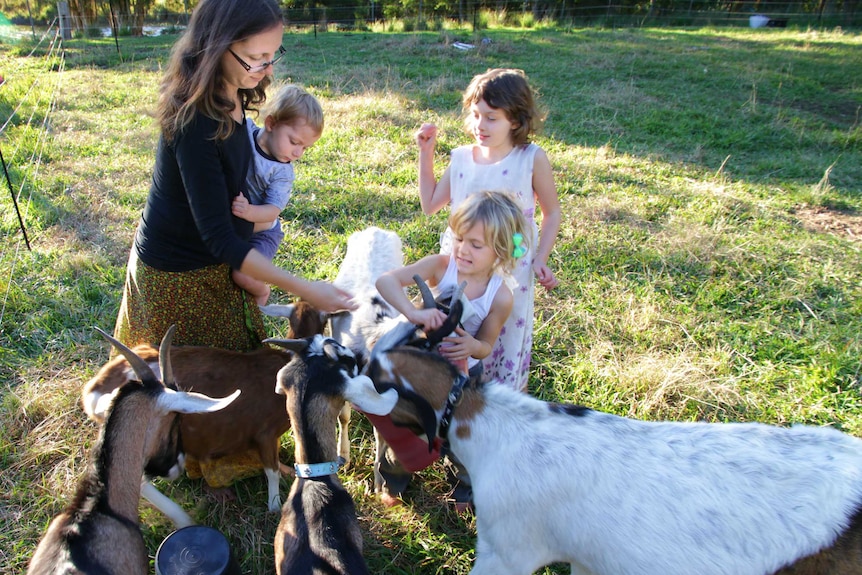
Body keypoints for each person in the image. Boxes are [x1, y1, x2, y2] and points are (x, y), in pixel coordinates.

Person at [112, 0, 353, 492]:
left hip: (214, 265)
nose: (266, 69)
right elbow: (219, 237)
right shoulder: (193, 120)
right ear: (218, 47)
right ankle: (189, 449)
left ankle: (235, 433)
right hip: (176, 273)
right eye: (255, 58)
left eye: (272, 56)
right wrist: (307, 288)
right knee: (188, 377)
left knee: (227, 368)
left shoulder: (235, 93)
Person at [370, 190, 530, 511]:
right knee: (406, 427)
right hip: (420, 368)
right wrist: (413, 313)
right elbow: (386, 282)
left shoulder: (500, 296)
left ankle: (464, 486)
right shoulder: (441, 267)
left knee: (465, 436)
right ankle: (394, 478)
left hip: (463, 375)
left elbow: (487, 343)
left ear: (500, 250)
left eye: (475, 244)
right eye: (458, 238)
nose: (462, 250)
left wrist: (473, 346)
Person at [415, 68, 562, 392]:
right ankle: (447, 390)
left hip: (513, 265)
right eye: (476, 115)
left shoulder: (531, 159)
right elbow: (430, 204)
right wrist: (426, 154)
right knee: (453, 327)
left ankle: (502, 399)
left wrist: (540, 258)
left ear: (515, 119)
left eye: (492, 118)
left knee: (503, 330)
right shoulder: (463, 158)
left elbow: (552, 213)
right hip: (463, 260)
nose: (480, 125)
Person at [231, 83, 324, 305]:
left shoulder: (282, 172)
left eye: (305, 148)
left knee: (241, 274)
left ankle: (262, 293)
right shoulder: (245, 131)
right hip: (240, 224)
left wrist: (249, 211)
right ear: (271, 123)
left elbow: (273, 211)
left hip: (263, 233)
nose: (298, 153)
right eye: (294, 142)